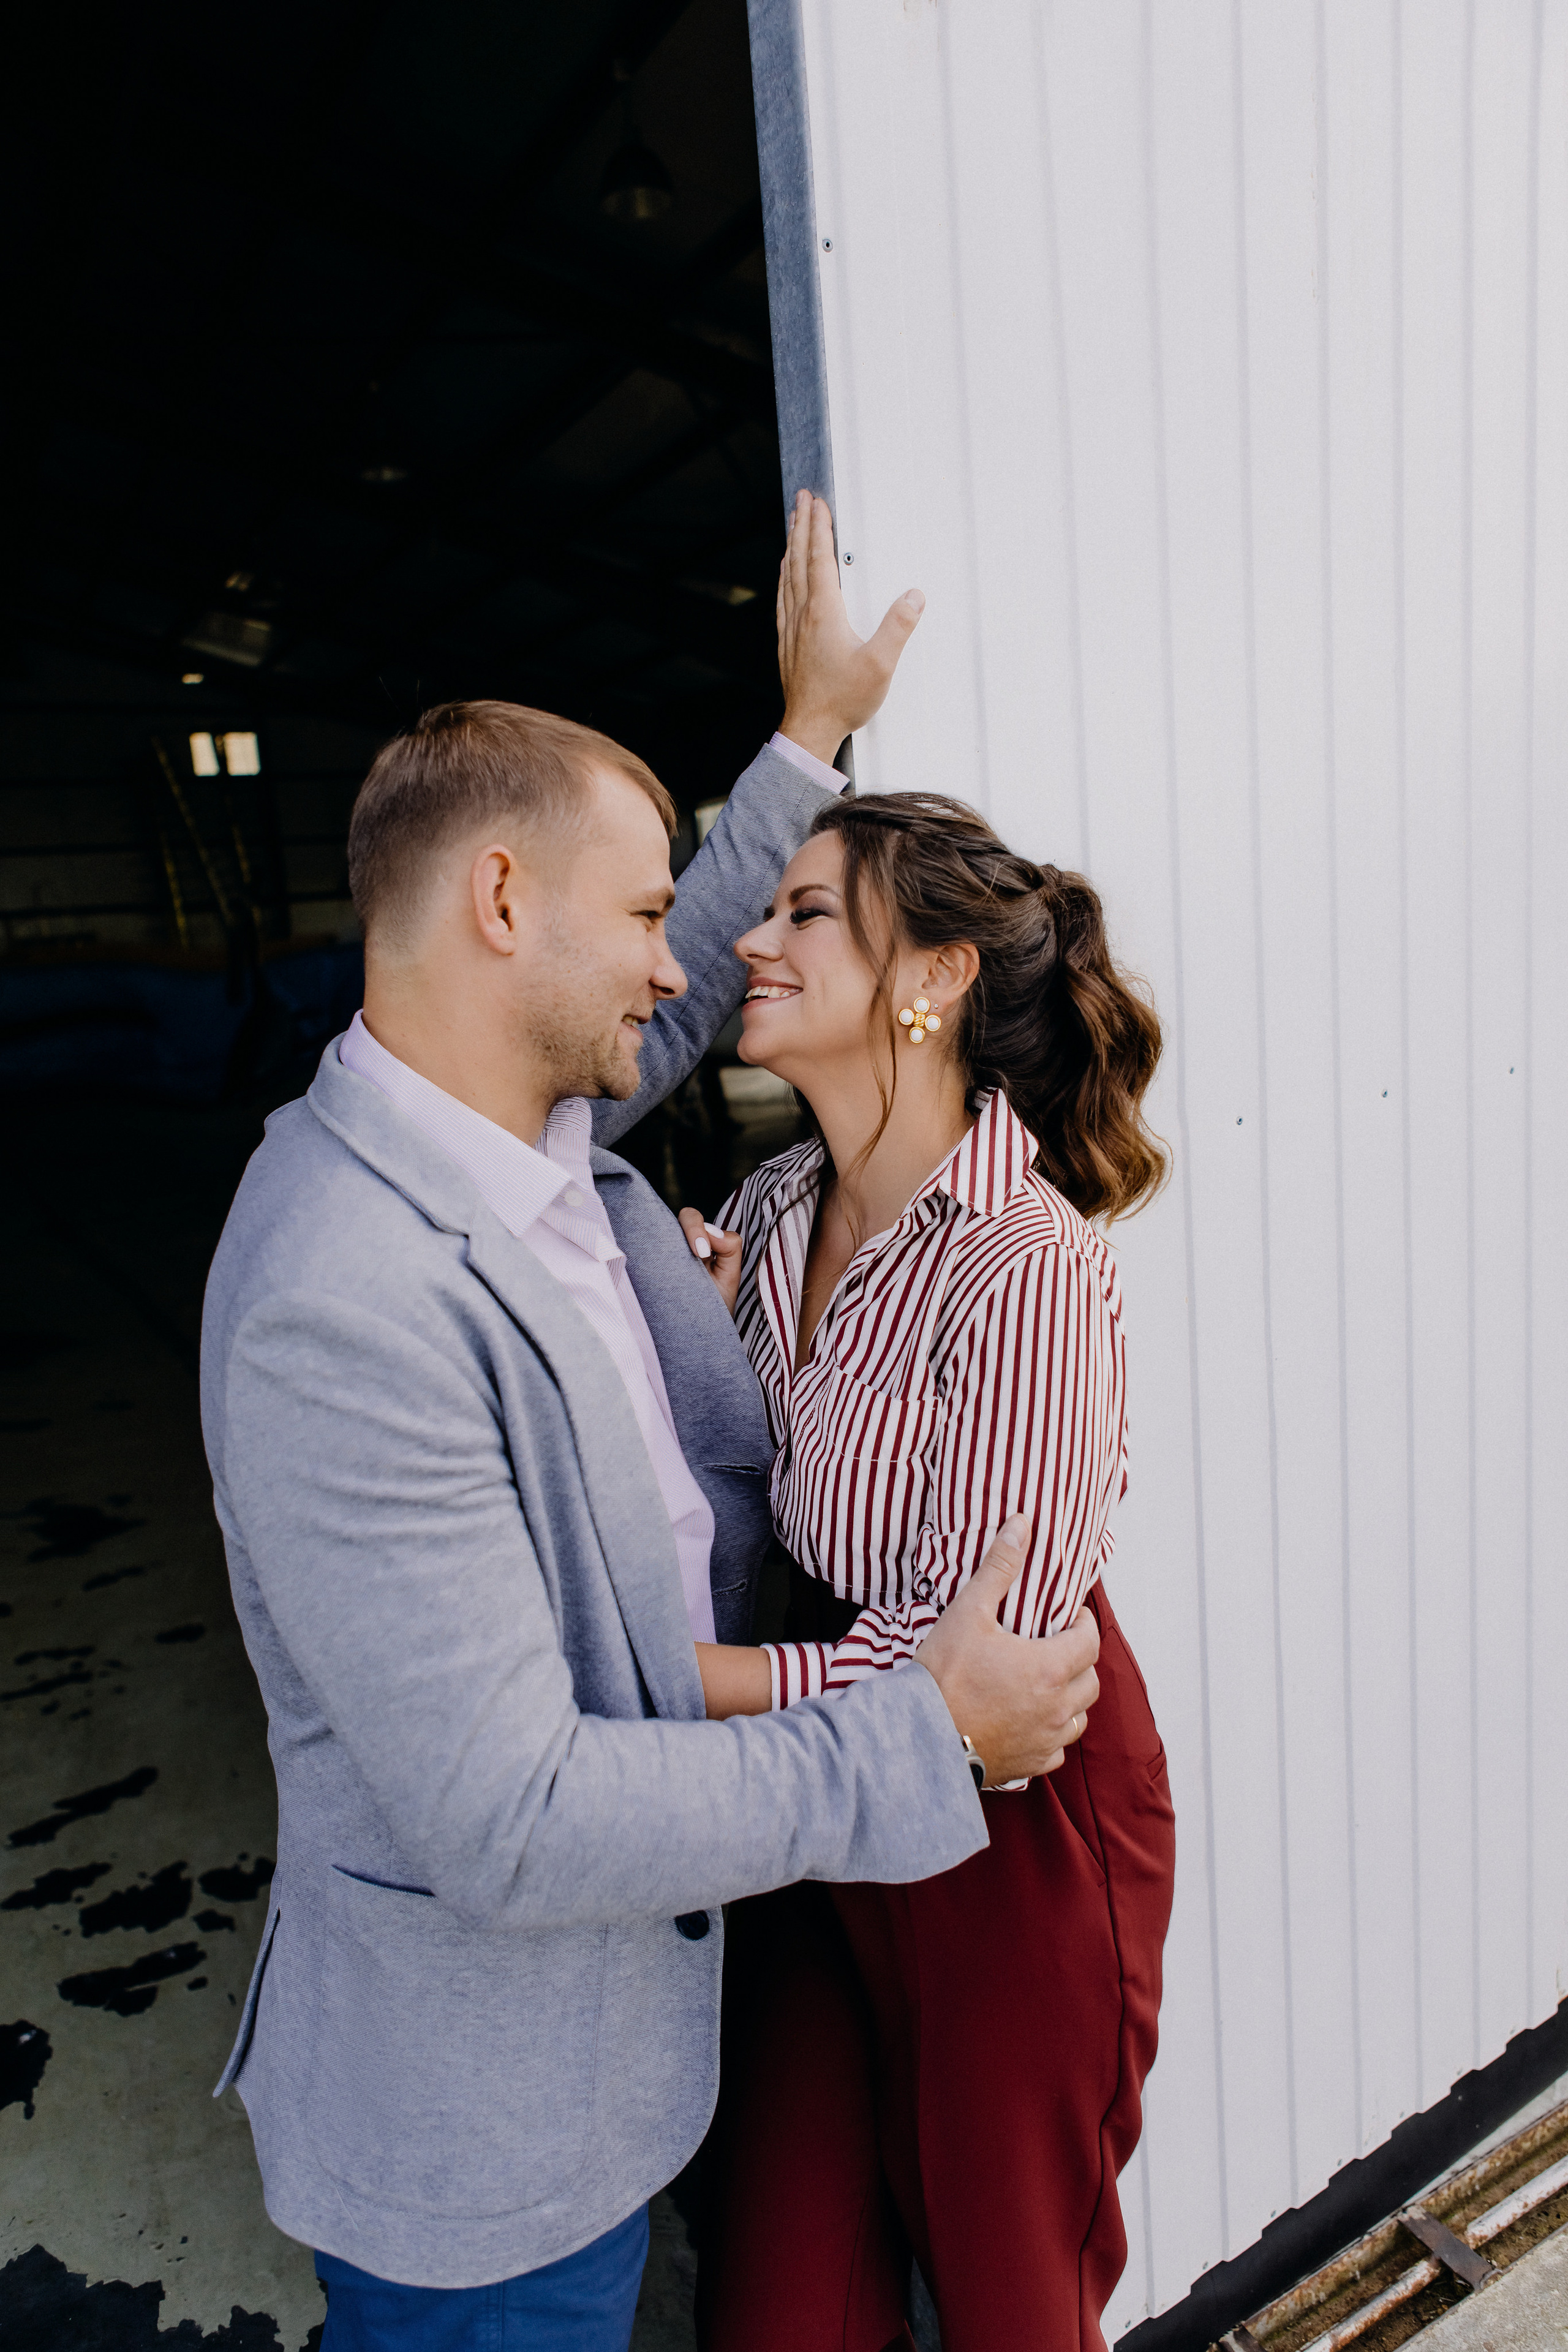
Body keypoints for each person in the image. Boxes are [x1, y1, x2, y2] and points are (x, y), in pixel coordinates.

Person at [198, 492, 1104, 2352]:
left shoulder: (510, 1128)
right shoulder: (339, 1297)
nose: (685, 960)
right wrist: (920, 1730)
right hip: (492, 2145)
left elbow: (661, 999)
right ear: (501, 904)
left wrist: (808, 730)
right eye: (639, 914)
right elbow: (520, 1814)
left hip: (677, 1977)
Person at [679, 781, 1178, 2352]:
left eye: (805, 912)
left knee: (1010, 2301)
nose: (749, 941)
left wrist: (708, 1687)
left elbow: (989, 1658)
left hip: (1010, 1814)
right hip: (818, 1794)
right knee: (778, 2305)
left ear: (933, 980)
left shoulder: (1024, 1262)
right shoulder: (767, 1214)